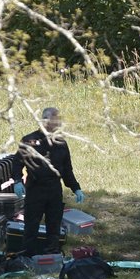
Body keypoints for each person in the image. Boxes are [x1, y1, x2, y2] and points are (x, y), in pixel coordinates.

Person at [12, 107, 85, 256]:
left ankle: (52, 255)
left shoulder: (61, 143)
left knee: (54, 226)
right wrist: (17, 181)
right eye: (55, 121)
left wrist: (76, 188)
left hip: (54, 189)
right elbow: (17, 163)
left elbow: (67, 170)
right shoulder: (29, 140)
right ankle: (28, 256)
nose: (58, 124)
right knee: (31, 226)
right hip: (35, 188)